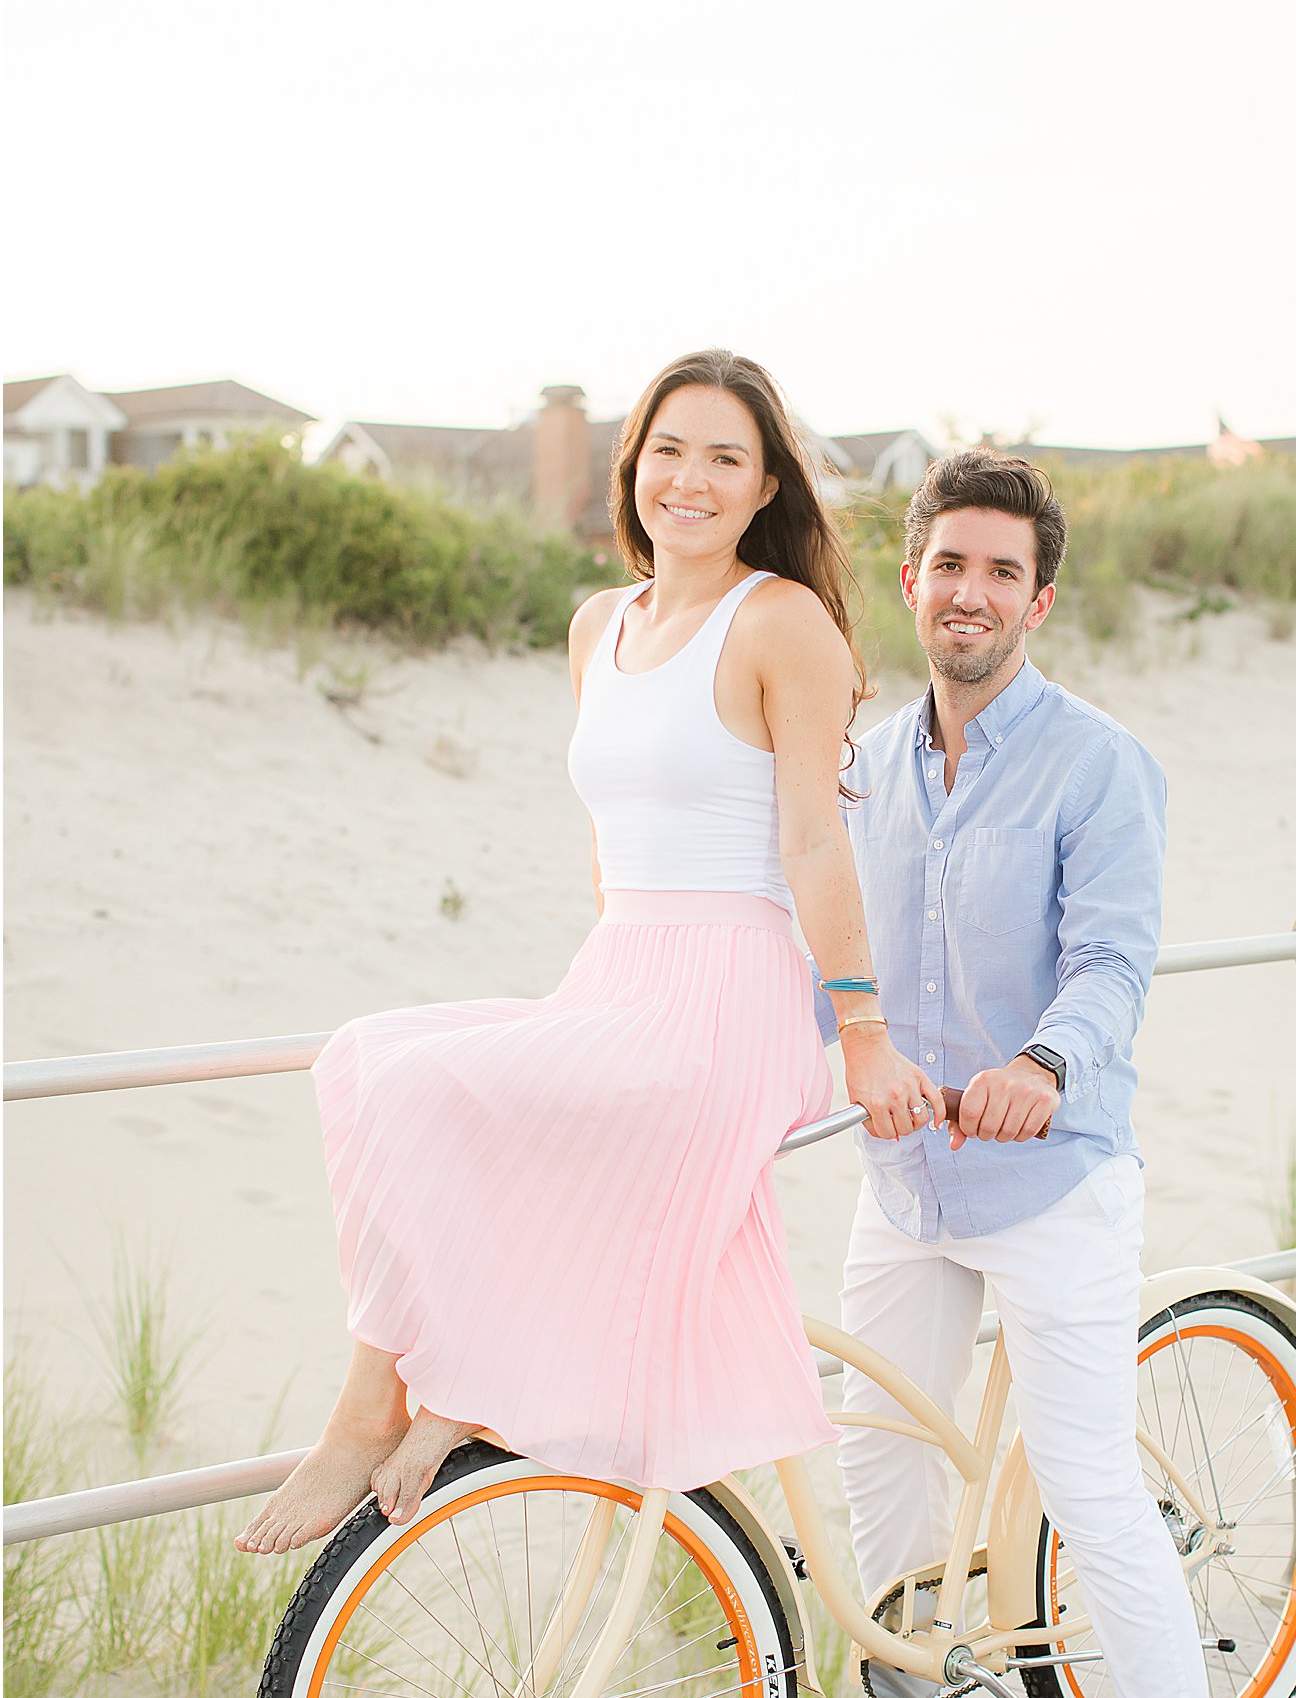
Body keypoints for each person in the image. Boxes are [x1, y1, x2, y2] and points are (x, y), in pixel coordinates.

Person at [237, 349, 943, 1558]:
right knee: (366, 1060)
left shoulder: (781, 624)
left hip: (730, 997)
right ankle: (415, 1394)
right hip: (620, 969)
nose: (691, 479)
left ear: (765, 486)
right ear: (633, 467)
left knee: (421, 1084)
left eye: (726, 458)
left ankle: (399, 1406)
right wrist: (591, 993)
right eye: (669, 449)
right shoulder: (596, 624)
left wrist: (862, 1036)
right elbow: (613, 848)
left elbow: (818, 851)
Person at [778, 450, 1248, 1698]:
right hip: (907, 1175)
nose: (969, 592)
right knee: (881, 1473)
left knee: (1091, 1487)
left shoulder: (1097, 762)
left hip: (1048, 1176)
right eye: (947, 564)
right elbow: (824, 945)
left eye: (1001, 571)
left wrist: (1045, 1061)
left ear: (1037, 599)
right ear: (910, 579)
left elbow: (1114, 959)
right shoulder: (860, 759)